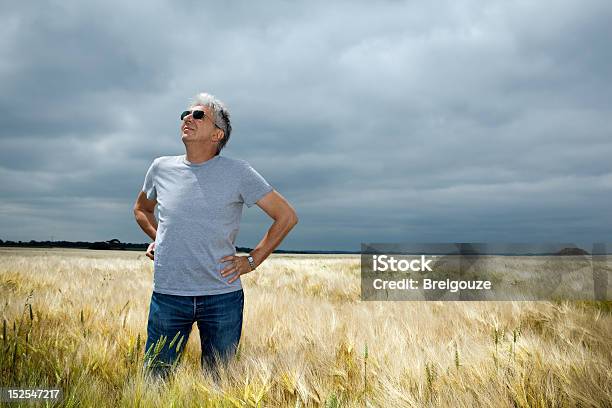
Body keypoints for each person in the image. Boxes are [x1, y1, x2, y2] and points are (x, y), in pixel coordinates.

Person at [133, 92, 298, 380]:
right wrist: (160, 238)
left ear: (217, 134)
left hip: (221, 298)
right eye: (185, 113)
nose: (187, 117)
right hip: (169, 294)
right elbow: (142, 209)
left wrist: (252, 260)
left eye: (198, 115)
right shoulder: (160, 168)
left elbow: (286, 216)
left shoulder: (239, 172)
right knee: (155, 381)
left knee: (219, 383)